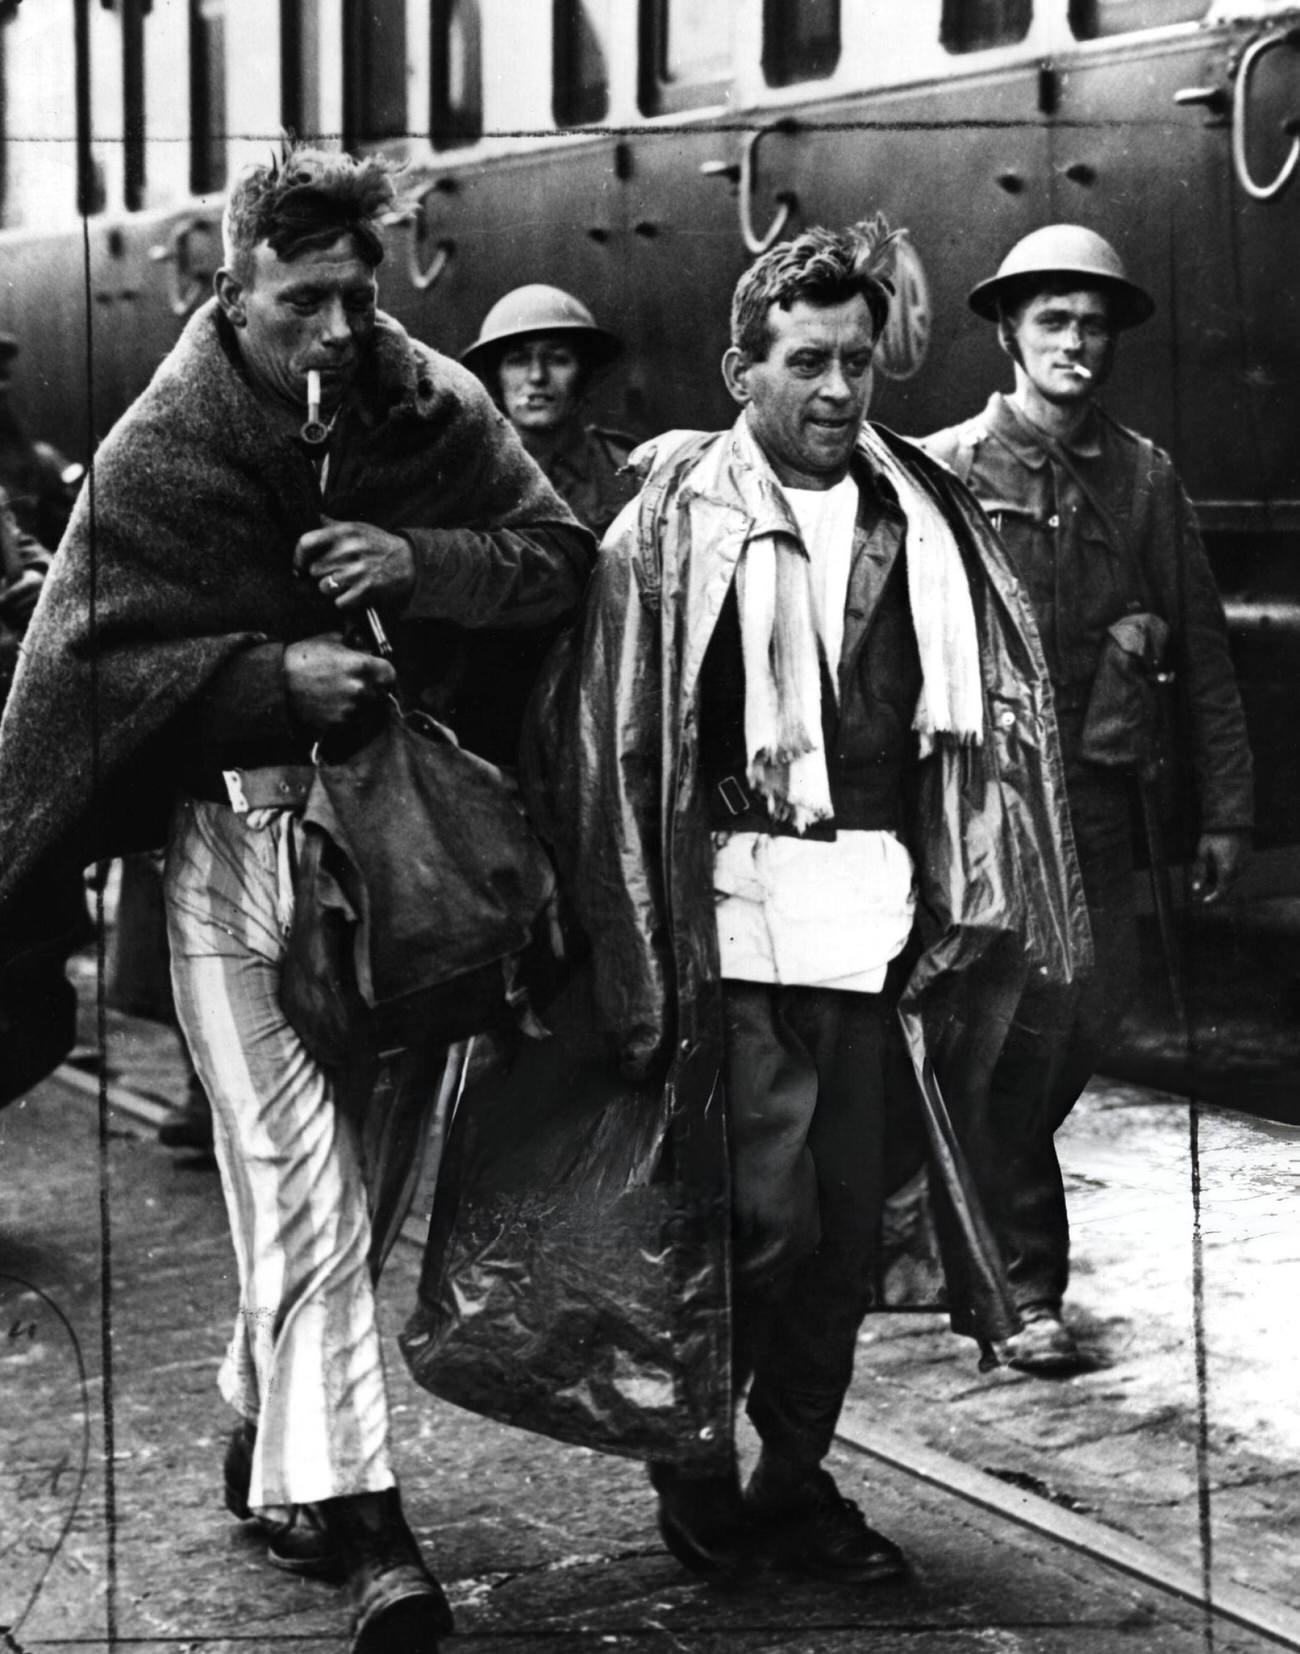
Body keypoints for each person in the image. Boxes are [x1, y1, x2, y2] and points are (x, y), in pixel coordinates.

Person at [0, 144, 592, 1654]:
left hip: (401, 862)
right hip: (226, 860)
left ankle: (261, 1420)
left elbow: (556, 561)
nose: (336, 331)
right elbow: (84, 666)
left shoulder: (434, 405)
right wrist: (273, 680)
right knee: (302, 1193)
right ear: (233, 287)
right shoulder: (167, 439)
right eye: (302, 300)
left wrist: (420, 557)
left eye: (357, 296)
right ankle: (368, 1527)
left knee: (359, 1185)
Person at [531, 220, 1089, 1583]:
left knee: (844, 1227)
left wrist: (978, 908)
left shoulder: (923, 514)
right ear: (742, 367)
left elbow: (985, 740)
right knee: (748, 1219)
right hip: (722, 920)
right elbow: (607, 738)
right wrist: (623, 948)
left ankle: (787, 1475)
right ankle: (695, 1466)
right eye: (807, 364)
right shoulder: (671, 518)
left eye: (858, 362)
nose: (840, 391)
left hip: (878, 922)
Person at [922, 224, 1253, 1374]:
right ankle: (1020, 1291)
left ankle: (960, 1237)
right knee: (1005, 1043)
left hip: (1101, 814)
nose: (1075, 342)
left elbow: (1202, 654)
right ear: (1008, 332)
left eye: (1092, 323)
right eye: (1053, 320)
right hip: (983, 813)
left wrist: (1227, 812)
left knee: (1080, 1032)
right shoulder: (944, 469)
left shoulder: (1143, 476)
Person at [462, 284, 638, 537]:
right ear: (495, 378)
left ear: (584, 375)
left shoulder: (626, 470)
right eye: (518, 361)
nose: (537, 376)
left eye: (558, 359)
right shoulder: (470, 476)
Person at [0, 332, 83, 548]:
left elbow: (72, 541)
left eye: (3, 376)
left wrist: (40, 569)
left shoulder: (41, 460)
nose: (3, 388)